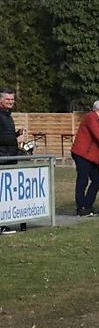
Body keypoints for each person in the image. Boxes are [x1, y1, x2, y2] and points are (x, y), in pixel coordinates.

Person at [0, 87, 27, 234]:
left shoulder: (7, 115)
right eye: (7, 99)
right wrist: (16, 139)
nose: (10, 102)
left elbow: (6, 136)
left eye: (12, 99)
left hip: (10, 158)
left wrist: (16, 134)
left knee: (7, 196)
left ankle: (5, 222)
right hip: (3, 159)